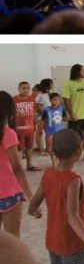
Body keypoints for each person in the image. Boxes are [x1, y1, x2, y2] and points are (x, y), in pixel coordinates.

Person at [27, 129, 84, 263]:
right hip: (72, 243)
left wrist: (32, 210)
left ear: (52, 150)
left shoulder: (47, 174)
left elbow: (36, 198)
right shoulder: (73, 180)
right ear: (79, 151)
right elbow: (72, 216)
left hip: (53, 240)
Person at [0, 91, 34, 237]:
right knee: (13, 238)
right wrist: (31, 197)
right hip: (9, 192)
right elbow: (18, 168)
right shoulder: (7, 134)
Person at [61, 65, 84, 161]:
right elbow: (66, 100)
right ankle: (73, 154)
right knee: (74, 136)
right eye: (82, 70)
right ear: (77, 72)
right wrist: (71, 113)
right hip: (76, 115)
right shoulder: (68, 84)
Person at [13, 81, 39, 171]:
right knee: (19, 148)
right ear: (18, 89)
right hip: (19, 129)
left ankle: (29, 165)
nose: (26, 90)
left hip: (30, 129)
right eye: (23, 88)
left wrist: (35, 123)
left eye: (28, 88)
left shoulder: (32, 99)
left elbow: (34, 112)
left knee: (29, 147)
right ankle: (19, 167)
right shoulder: (14, 100)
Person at [43, 93, 65, 168]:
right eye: (54, 99)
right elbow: (44, 120)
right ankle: (53, 160)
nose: (56, 101)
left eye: (58, 100)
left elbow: (65, 117)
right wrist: (44, 128)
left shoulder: (61, 108)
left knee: (59, 147)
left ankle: (57, 160)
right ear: (50, 100)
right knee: (49, 148)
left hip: (59, 132)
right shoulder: (46, 110)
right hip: (50, 131)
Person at [34, 78, 55, 157]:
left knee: (49, 133)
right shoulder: (40, 94)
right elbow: (35, 104)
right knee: (39, 133)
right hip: (41, 117)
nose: (52, 85)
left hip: (49, 116)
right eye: (51, 84)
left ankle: (49, 149)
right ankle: (41, 150)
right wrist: (41, 111)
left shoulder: (49, 94)